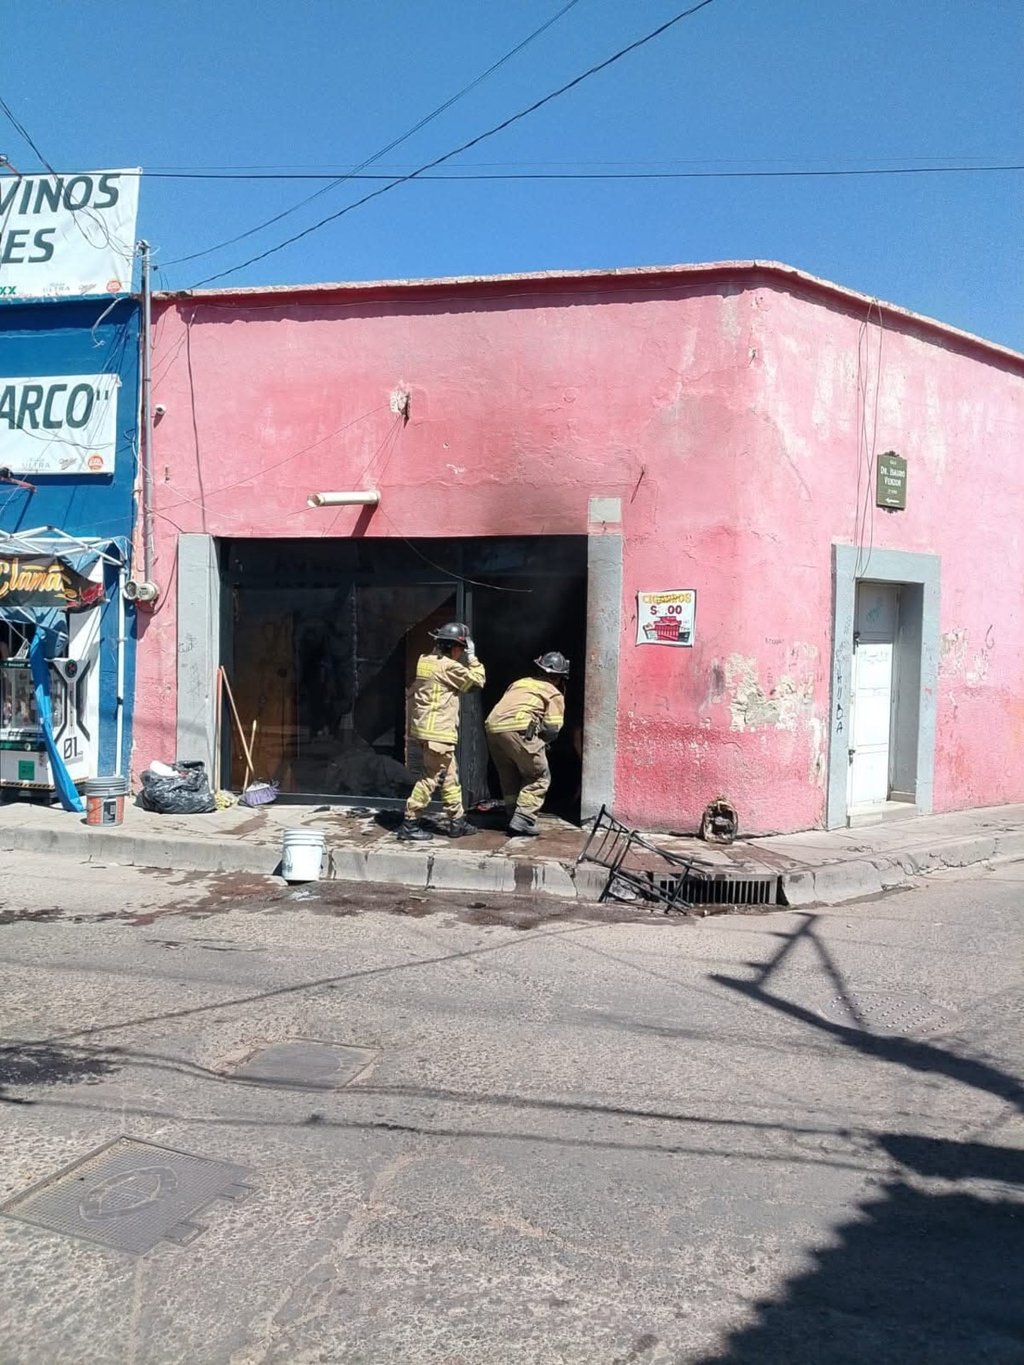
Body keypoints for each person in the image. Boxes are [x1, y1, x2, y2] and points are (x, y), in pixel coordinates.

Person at [397, 621, 485, 842]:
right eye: (461, 649)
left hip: (425, 729)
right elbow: (477, 682)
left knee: (450, 778)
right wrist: (472, 658)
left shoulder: (425, 661)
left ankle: (457, 821)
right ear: (455, 648)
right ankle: (410, 821)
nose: (461, 653)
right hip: (439, 733)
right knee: (430, 778)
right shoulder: (449, 667)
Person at [485, 651, 569, 836]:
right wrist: (544, 740)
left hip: (493, 728)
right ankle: (524, 818)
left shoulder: (519, 683)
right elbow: (553, 727)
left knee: (509, 774)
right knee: (539, 775)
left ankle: (512, 815)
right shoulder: (554, 693)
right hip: (521, 729)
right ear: (558, 677)